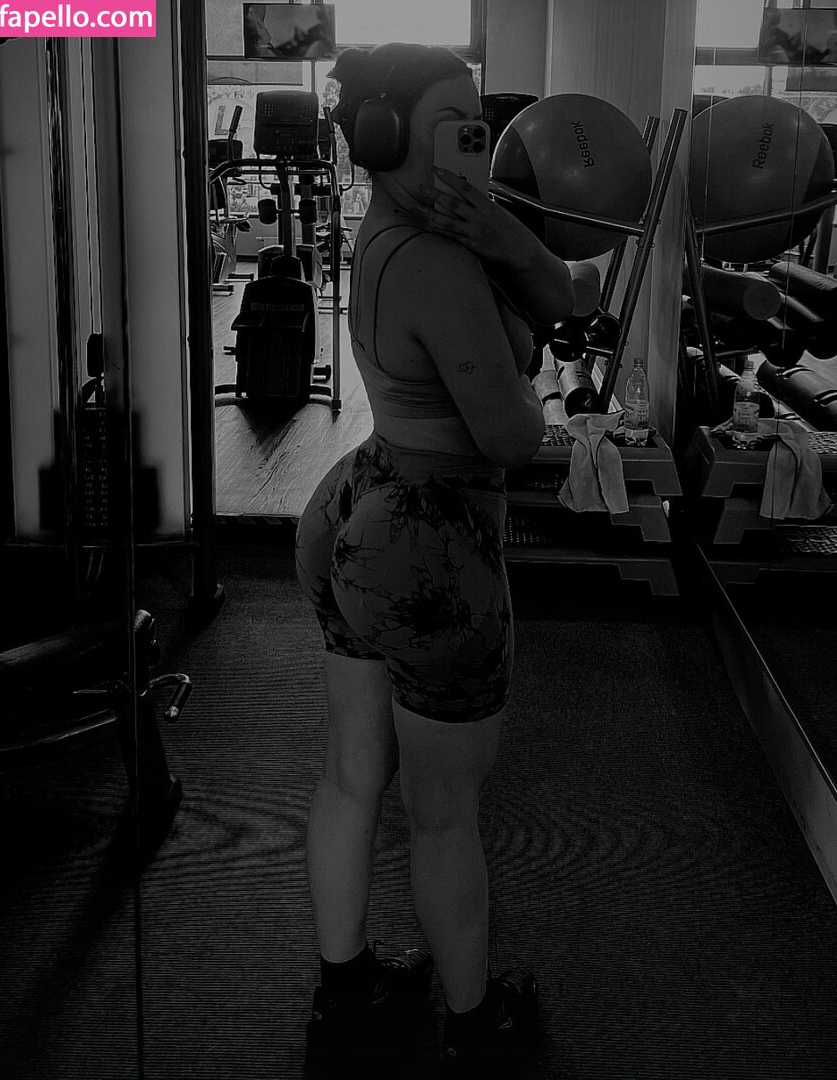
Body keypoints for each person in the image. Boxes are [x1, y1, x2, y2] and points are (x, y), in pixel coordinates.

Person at [294, 42, 574, 1071]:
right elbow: (513, 437)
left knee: (351, 773)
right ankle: (476, 1026)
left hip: (352, 507)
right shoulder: (440, 262)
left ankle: (348, 993)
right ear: (384, 138)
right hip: (429, 543)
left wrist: (503, 233)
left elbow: (565, 298)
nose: (476, 145)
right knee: (444, 814)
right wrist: (527, 378)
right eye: (457, 128)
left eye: (477, 127)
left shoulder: (386, 229)